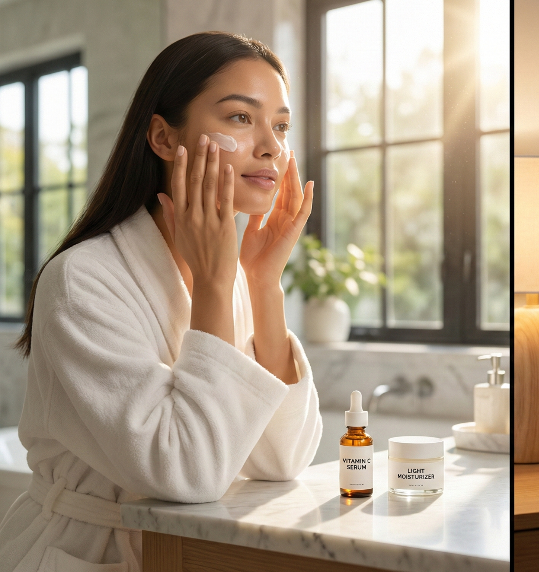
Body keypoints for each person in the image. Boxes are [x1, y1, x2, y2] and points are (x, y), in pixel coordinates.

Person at [0, 31, 322, 571]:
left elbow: (280, 459)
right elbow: (187, 475)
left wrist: (264, 285)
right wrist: (219, 286)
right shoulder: (82, 280)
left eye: (281, 125)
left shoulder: (232, 278)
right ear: (164, 137)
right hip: (82, 552)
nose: (271, 145)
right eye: (241, 118)